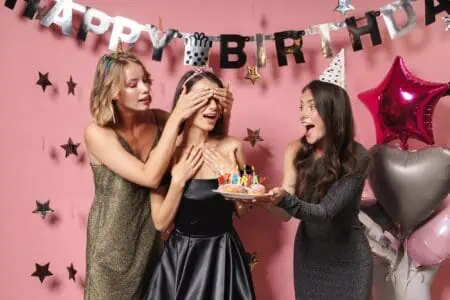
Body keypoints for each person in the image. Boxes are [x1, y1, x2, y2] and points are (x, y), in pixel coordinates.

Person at [83, 52, 233, 300]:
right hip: (111, 250)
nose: (145, 89)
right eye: (133, 84)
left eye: (146, 80)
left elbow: (206, 143)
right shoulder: (97, 133)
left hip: (154, 245)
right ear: (112, 91)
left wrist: (224, 110)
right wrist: (177, 116)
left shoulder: (161, 120)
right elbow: (150, 176)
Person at [254, 80, 373, 300]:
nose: (302, 115)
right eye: (301, 107)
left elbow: (324, 213)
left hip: (350, 261)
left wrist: (284, 200)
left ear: (333, 111)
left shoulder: (358, 158)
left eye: (311, 106)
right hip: (309, 258)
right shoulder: (296, 151)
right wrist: (264, 199)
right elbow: (286, 214)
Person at [145, 70, 255, 300]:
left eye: (217, 98)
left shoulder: (233, 147)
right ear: (184, 102)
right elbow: (160, 222)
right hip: (182, 260)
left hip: (224, 258)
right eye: (204, 98)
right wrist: (178, 181)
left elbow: (244, 212)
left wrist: (231, 178)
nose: (213, 107)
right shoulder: (166, 155)